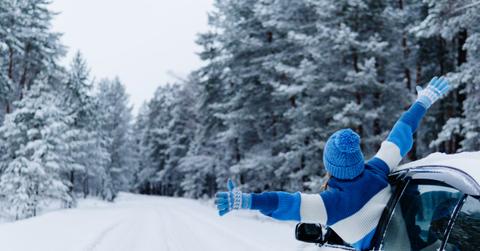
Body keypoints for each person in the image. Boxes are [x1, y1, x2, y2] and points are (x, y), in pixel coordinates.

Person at [215, 76, 450, 250]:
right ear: (357, 158)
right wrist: (424, 100)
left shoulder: (330, 205)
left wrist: (245, 200)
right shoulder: (378, 169)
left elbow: (282, 203)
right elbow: (401, 133)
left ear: (330, 166)